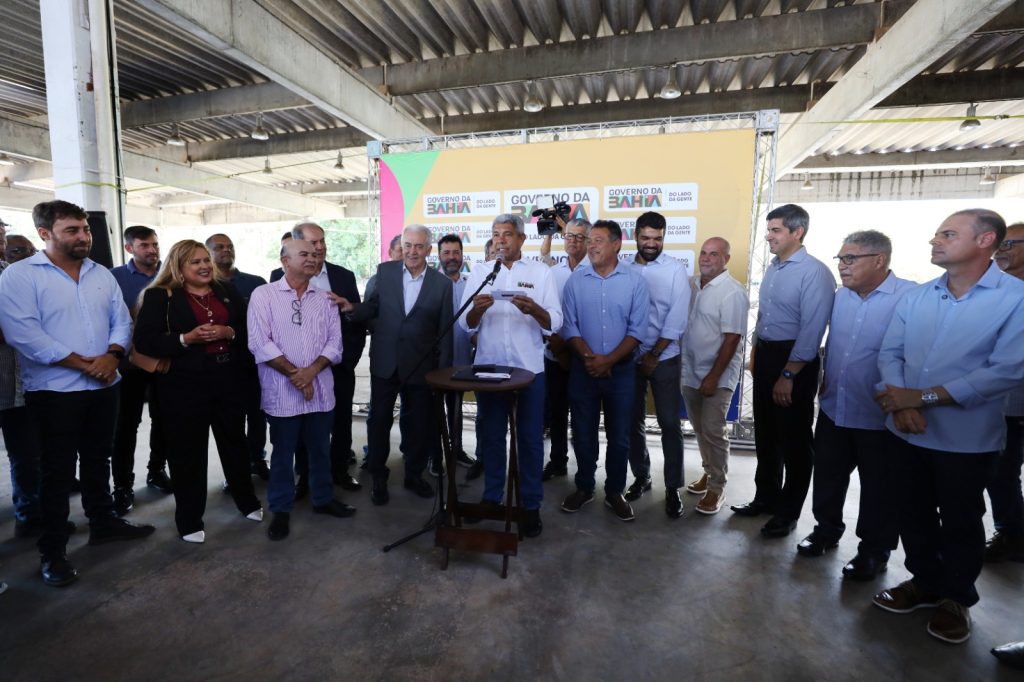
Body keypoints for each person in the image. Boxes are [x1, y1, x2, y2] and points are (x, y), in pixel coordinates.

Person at [872, 209, 1024, 645]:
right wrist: (900, 405)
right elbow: (890, 353)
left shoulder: (1014, 298)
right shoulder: (919, 296)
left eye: (948, 234)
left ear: (985, 240)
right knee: (912, 512)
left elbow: (1006, 370)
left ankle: (956, 599)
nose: (935, 241)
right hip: (907, 430)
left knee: (961, 520)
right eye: (938, 234)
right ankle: (924, 583)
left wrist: (920, 398)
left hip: (967, 439)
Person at [0, 200, 154, 587]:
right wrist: (85, 364)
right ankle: (53, 551)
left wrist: (113, 356)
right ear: (45, 233)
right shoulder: (20, 276)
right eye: (72, 230)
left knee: (99, 458)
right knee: (56, 472)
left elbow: (121, 321)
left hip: (105, 385)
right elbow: (23, 334)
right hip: (55, 391)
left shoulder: (100, 273)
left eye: (84, 229)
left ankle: (103, 522)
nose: (83, 236)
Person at [796, 231, 914, 580]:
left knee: (880, 488)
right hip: (835, 407)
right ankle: (826, 530)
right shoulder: (841, 297)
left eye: (850, 259)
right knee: (828, 476)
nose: (842, 266)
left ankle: (874, 551)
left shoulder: (909, 297)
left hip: (879, 416)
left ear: (879, 260)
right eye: (841, 259)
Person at [133, 240, 263, 542]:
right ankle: (189, 520)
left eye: (206, 260)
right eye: (195, 262)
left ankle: (247, 502)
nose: (205, 266)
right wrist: (185, 339)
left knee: (235, 443)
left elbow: (250, 330)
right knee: (187, 453)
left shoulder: (226, 290)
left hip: (228, 379)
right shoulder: (159, 296)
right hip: (182, 385)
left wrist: (229, 332)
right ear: (178, 267)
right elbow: (145, 342)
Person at [732, 204, 835, 540]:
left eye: (775, 230)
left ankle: (787, 513)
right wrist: (755, 354)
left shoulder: (814, 272)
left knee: (795, 442)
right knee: (766, 435)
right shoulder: (775, 269)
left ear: (797, 232)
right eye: (769, 230)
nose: (769, 237)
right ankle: (766, 498)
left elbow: (812, 329)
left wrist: (789, 374)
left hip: (795, 361)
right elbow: (765, 316)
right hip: (767, 356)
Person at [459, 214, 561, 537]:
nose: (500, 240)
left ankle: (530, 505)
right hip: (489, 368)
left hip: (529, 369)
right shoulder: (480, 272)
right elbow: (465, 323)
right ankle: (492, 498)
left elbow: (555, 321)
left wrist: (534, 310)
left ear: (521, 239)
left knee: (530, 440)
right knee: (491, 437)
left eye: (507, 234)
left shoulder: (541, 272)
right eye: (495, 234)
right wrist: (477, 310)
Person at [248, 239, 356, 541]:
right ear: (285, 261)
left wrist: (310, 373)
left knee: (320, 449)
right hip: (282, 391)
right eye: (303, 254)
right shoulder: (264, 295)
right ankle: (281, 509)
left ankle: (322, 499)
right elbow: (259, 342)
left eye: (314, 254)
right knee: (283, 453)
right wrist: (297, 376)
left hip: (320, 389)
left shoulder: (325, 299)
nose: (312, 258)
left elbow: (335, 344)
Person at [338, 225, 452, 505]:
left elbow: (445, 330)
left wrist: (443, 372)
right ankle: (378, 474)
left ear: (429, 250)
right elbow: (372, 306)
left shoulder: (441, 284)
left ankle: (414, 474)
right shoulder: (385, 272)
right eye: (407, 245)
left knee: (418, 425)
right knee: (379, 421)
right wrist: (353, 309)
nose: (412, 251)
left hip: (421, 365)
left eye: (418, 246)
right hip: (386, 361)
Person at [559, 220, 649, 521]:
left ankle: (615, 491)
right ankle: (584, 487)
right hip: (583, 369)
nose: (591, 245)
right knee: (582, 433)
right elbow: (569, 325)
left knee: (619, 436)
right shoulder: (575, 281)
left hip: (621, 372)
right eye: (589, 240)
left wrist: (608, 361)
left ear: (617, 244)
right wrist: (591, 358)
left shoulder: (635, 282)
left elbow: (637, 331)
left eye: (598, 240)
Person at [272, 222, 364, 494]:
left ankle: (339, 471)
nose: (320, 247)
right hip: (300, 370)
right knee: (303, 423)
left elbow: (355, 322)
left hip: (337, 366)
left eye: (322, 241)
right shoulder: (278, 276)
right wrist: (294, 368)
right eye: (313, 243)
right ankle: (305, 475)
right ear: (297, 245)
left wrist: (348, 360)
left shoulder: (343, 276)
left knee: (341, 421)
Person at [625, 212, 689, 518]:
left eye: (658, 238)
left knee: (669, 424)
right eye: (646, 237)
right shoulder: (623, 268)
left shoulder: (675, 269)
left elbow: (677, 318)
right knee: (632, 422)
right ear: (635, 236)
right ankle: (642, 476)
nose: (652, 244)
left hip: (664, 357)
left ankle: (673, 487)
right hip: (629, 357)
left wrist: (653, 354)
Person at [681, 237, 748, 515]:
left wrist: (713, 376)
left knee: (713, 430)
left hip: (717, 375)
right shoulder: (692, 284)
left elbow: (732, 339)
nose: (706, 258)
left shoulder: (733, 292)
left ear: (726, 259)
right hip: (690, 371)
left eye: (714, 254)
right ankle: (709, 472)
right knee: (699, 429)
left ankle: (718, 487)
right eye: (704, 253)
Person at [110, 225, 171, 515]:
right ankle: (122, 486)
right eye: (144, 245)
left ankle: (156, 471)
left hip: (164, 361)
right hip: (128, 364)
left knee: (164, 419)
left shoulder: (170, 274)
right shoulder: (113, 278)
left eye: (155, 244)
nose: (152, 250)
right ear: (129, 248)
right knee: (125, 425)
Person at [206, 233, 270, 480]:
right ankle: (236, 470)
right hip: (222, 366)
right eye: (219, 247)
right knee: (231, 419)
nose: (226, 250)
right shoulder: (204, 285)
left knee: (257, 414)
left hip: (254, 361)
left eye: (230, 246)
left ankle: (257, 459)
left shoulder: (255, 283)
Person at [984, 221, 1024, 563]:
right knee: (998, 472)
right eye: (1000, 244)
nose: (1001, 251)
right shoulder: (992, 292)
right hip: (996, 403)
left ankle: (1013, 534)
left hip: (1017, 401)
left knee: (1003, 470)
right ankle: (1011, 533)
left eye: (1010, 244)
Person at [542, 219, 590, 481]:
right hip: (555, 353)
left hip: (585, 356)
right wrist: (557, 347)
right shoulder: (553, 272)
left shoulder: (596, 270)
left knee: (583, 416)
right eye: (569, 235)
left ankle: (585, 470)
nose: (573, 241)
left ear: (589, 241)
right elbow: (546, 311)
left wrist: (572, 350)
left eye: (580, 237)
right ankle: (557, 461)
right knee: (557, 413)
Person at [437, 234, 476, 469]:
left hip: (461, 360)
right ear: (439, 256)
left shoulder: (471, 285)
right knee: (433, 412)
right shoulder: (431, 283)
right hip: (435, 363)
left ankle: (456, 450)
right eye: (446, 253)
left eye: (456, 252)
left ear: (462, 255)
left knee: (456, 409)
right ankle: (434, 456)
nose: (452, 257)